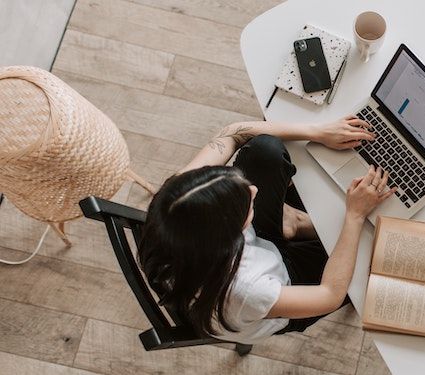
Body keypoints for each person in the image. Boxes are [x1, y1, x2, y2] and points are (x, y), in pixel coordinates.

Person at [138, 116, 397, 344]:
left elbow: (233, 132)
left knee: (264, 149)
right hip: (282, 288)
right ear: (231, 235)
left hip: (247, 254)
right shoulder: (248, 290)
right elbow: (329, 294)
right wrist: (354, 215)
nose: (253, 190)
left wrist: (317, 131)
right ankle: (294, 225)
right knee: (375, 255)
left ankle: (291, 224)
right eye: (245, 203)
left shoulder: (178, 198)